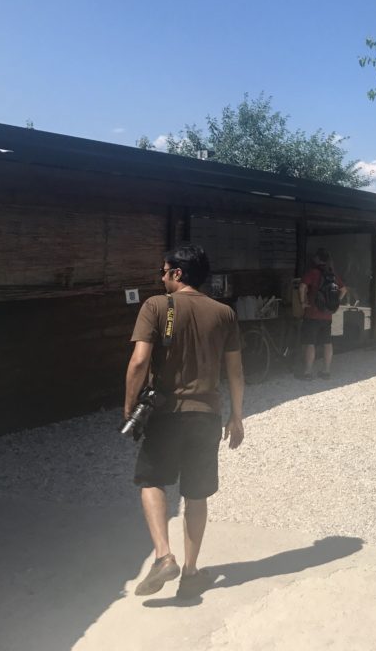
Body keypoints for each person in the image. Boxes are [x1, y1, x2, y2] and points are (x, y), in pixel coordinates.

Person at [124, 244, 244, 599]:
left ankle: (164, 556)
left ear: (178, 273)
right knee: (196, 493)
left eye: (164, 271)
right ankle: (190, 572)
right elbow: (235, 372)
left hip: (166, 414)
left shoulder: (157, 306)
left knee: (151, 481)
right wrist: (237, 417)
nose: (161, 277)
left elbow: (138, 362)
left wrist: (129, 406)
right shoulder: (224, 313)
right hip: (208, 416)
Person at [298, 248, 347, 379]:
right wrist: (335, 302)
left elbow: (302, 286)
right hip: (327, 314)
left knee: (310, 343)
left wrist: (303, 302)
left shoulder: (313, 273)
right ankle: (326, 371)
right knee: (327, 342)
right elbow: (343, 289)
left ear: (318, 259)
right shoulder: (332, 274)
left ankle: (308, 372)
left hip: (312, 314)